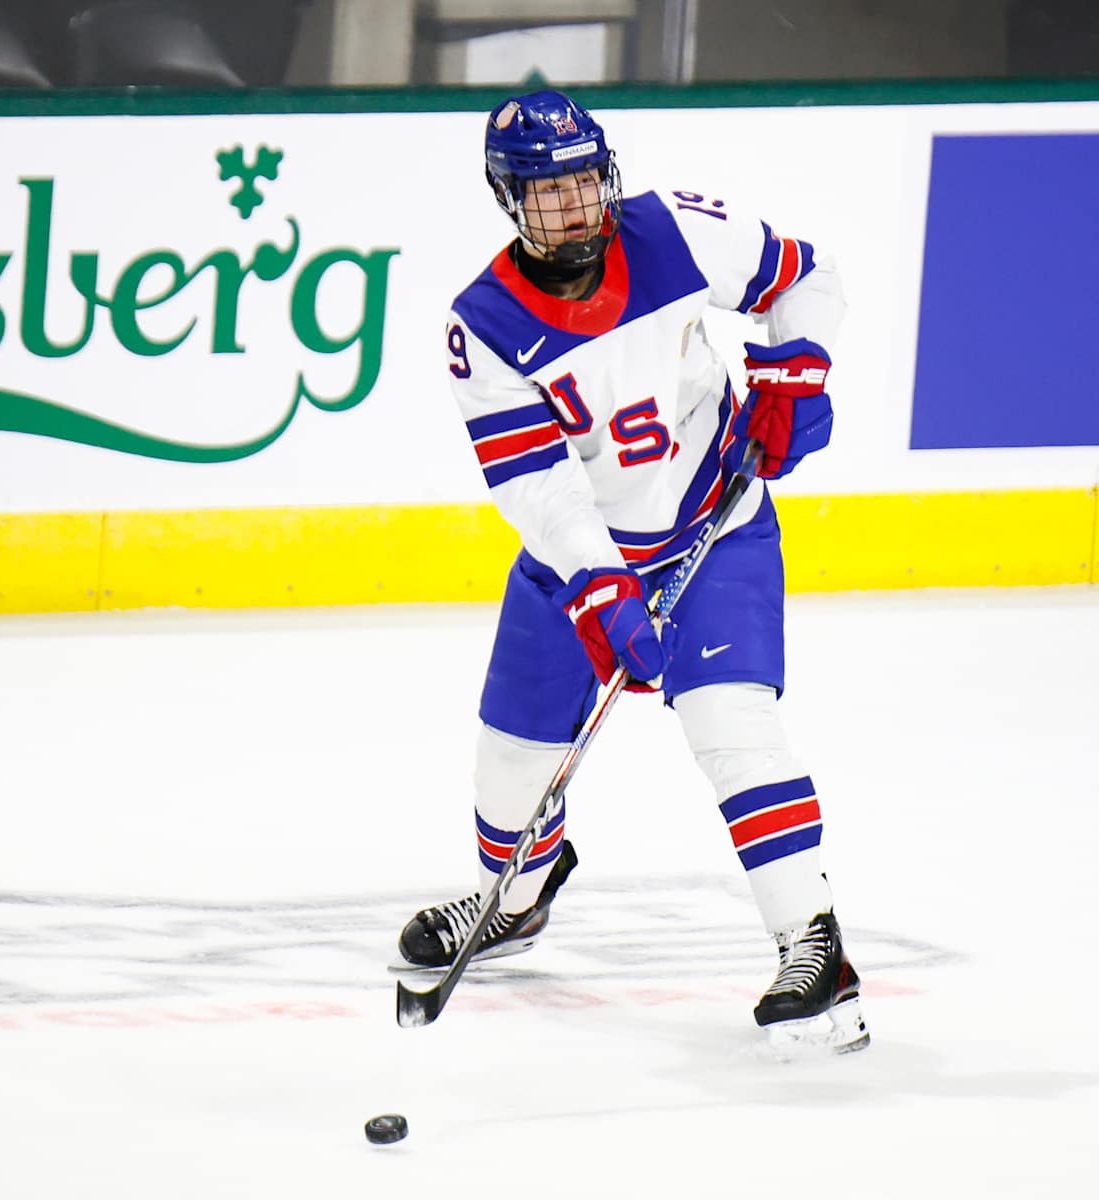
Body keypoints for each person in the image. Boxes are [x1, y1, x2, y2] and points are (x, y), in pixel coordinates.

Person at [396, 89, 865, 1053]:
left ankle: (814, 949)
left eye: (581, 184)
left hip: (716, 524)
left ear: (604, 175)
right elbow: (538, 483)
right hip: (575, 564)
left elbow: (803, 280)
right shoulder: (482, 326)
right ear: (507, 199)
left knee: (734, 728)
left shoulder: (679, 231)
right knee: (510, 759)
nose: (570, 208)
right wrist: (600, 583)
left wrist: (795, 371)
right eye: (545, 193)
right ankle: (514, 899)